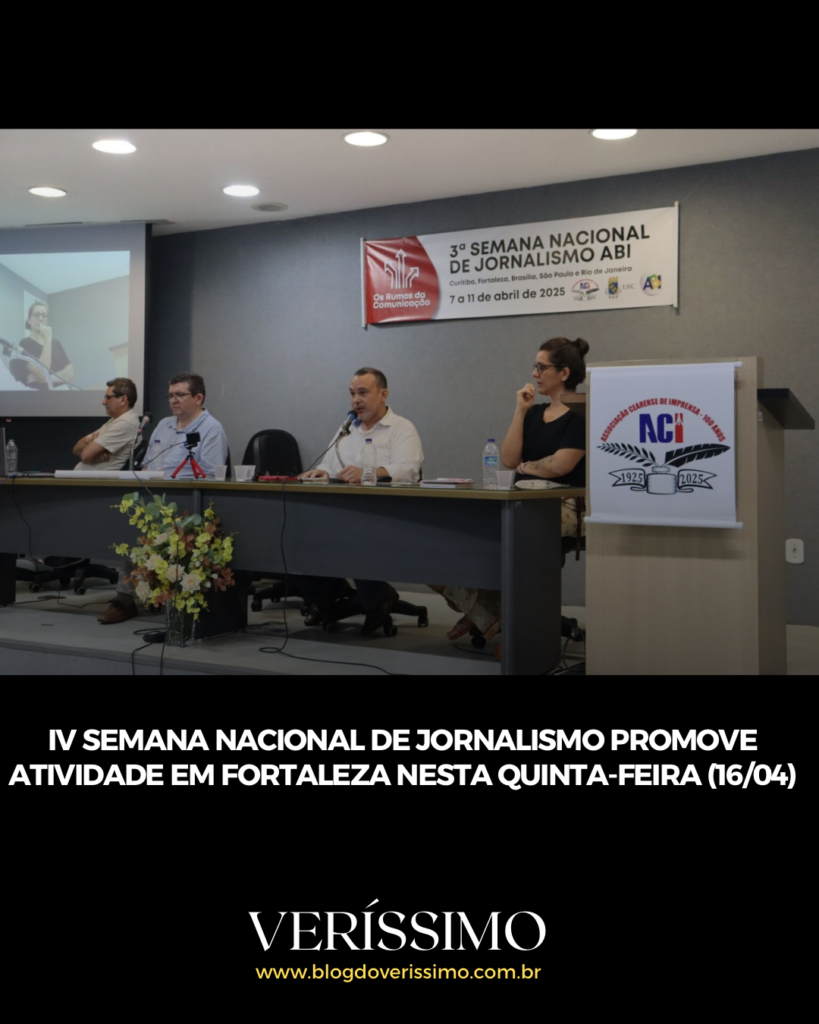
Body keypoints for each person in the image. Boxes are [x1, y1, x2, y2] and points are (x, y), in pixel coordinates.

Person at [433, 337, 589, 648]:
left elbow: (560, 465)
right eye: (534, 366)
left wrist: (525, 467)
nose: (534, 374)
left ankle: (497, 615)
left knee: (508, 532)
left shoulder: (581, 414)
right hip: (520, 500)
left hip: (562, 505)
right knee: (452, 532)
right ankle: (489, 611)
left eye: (541, 367)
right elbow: (507, 459)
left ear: (564, 373)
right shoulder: (533, 412)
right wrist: (520, 411)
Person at [97, 372, 229, 624]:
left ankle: (172, 600)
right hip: (155, 498)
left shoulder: (212, 428)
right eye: (170, 395)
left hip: (189, 503)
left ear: (198, 398)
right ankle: (125, 600)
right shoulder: (163, 425)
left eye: (180, 395)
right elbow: (148, 465)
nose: (173, 400)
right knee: (130, 531)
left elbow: (212, 476)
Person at [299, 367, 424, 632]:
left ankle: (374, 599)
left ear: (383, 394)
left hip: (387, 516)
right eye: (352, 393)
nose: (356, 400)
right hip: (343, 513)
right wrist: (323, 472)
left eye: (363, 393)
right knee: (302, 533)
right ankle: (327, 596)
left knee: (354, 536)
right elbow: (329, 464)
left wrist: (369, 472)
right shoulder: (347, 429)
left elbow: (409, 470)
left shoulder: (401, 428)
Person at [72, 378, 140, 470]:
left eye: (108, 397)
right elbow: (76, 449)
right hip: (85, 477)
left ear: (123, 400)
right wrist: (93, 452)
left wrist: (91, 451)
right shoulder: (114, 420)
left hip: (97, 479)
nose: (103, 402)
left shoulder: (126, 422)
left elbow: (85, 456)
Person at [10, 301, 75, 389]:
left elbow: (71, 374)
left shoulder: (56, 343)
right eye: (36, 315)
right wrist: (47, 339)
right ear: (29, 320)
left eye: (44, 315)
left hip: (62, 390)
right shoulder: (25, 343)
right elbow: (42, 373)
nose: (41, 318)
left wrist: (48, 378)